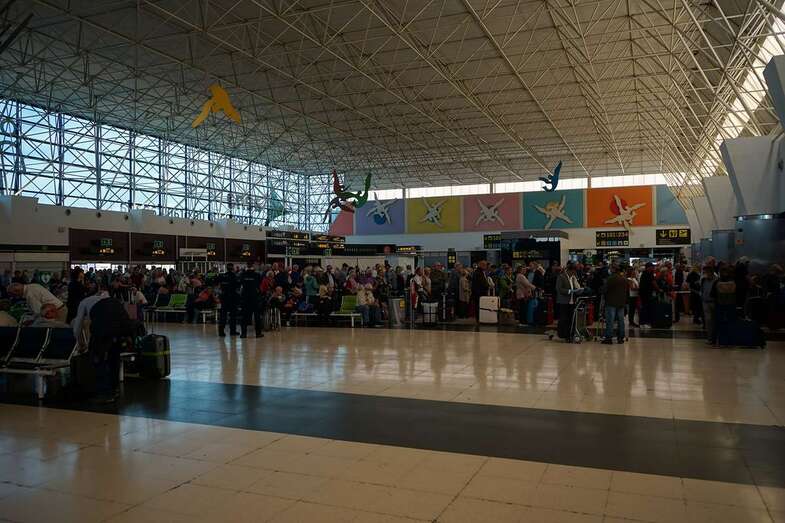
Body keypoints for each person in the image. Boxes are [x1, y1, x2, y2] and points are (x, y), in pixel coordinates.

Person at [87, 296, 135, 403]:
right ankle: (114, 390)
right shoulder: (116, 304)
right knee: (114, 362)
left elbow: (93, 327)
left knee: (100, 363)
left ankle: (105, 393)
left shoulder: (93, 307)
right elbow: (127, 323)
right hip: (116, 336)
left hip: (103, 337)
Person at [602, 265, 629, 344]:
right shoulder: (624, 279)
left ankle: (609, 338)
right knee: (621, 321)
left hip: (611, 302)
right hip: (621, 302)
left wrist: (600, 290)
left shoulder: (611, 278)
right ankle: (620, 338)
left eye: (611, 268)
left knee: (610, 320)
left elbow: (605, 289)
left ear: (613, 270)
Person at [556, 262, 582, 340]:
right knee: (564, 319)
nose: (574, 273)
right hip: (563, 302)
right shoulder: (561, 277)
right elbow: (559, 289)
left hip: (572, 302)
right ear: (569, 270)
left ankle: (570, 334)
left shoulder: (573, 278)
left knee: (571, 319)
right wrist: (570, 291)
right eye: (573, 272)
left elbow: (576, 287)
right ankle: (563, 335)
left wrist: (578, 290)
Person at [239, 261, 263, 338]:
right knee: (257, 316)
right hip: (254, 297)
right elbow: (259, 284)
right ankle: (258, 333)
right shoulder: (257, 275)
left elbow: (240, 284)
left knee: (244, 316)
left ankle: (243, 334)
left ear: (247, 265)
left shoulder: (242, 274)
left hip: (245, 297)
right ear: (253, 266)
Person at [217, 263, 239, 337]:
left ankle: (221, 331)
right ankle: (232, 331)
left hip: (224, 297)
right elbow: (237, 286)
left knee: (223, 315)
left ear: (226, 268)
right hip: (232, 298)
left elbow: (219, 285)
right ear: (232, 268)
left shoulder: (223, 276)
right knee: (233, 315)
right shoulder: (234, 276)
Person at [700, 265, 718, 344]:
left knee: (714, 320)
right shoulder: (703, 280)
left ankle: (715, 337)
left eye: (706, 272)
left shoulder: (716, 280)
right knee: (708, 320)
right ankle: (710, 338)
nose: (705, 274)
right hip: (705, 302)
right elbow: (702, 289)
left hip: (714, 302)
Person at [638, 263, 655, 327]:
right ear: (648, 267)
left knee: (646, 308)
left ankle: (644, 322)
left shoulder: (647, 273)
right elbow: (653, 282)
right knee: (644, 308)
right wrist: (658, 289)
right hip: (645, 294)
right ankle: (643, 323)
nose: (652, 268)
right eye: (651, 267)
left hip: (647, 294)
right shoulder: (646, 274)